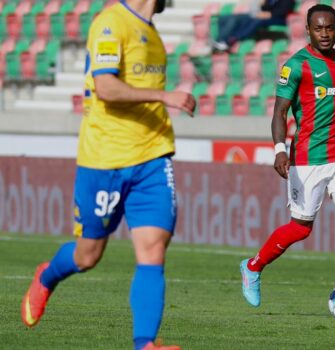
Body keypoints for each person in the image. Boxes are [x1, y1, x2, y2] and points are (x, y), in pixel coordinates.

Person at [20, 1, 196, 350]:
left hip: (153, 157)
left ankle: (144, 344)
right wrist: (165, 96)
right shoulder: (110, 23)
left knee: (153, 249)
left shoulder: (152, 34)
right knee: (88, 255)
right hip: (105, 158)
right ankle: (48, 274)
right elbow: (106, 88)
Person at [239, 4, 335, 320]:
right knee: (301, 228)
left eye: (330, 28)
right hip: (307, 158)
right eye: (318, 28)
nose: (325, 33)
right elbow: (279, 112)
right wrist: (279, 149)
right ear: (308, 30)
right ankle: (253, 267)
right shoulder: (296, 66)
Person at [212, 0, 295, 51]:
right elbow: (264, 8)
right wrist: (262, 4)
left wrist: (270, 14)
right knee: (233, 18)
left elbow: (283, 10)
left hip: (279, 19)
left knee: (257, 21)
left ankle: (232, 40)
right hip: (265, 16)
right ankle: (220, 41)